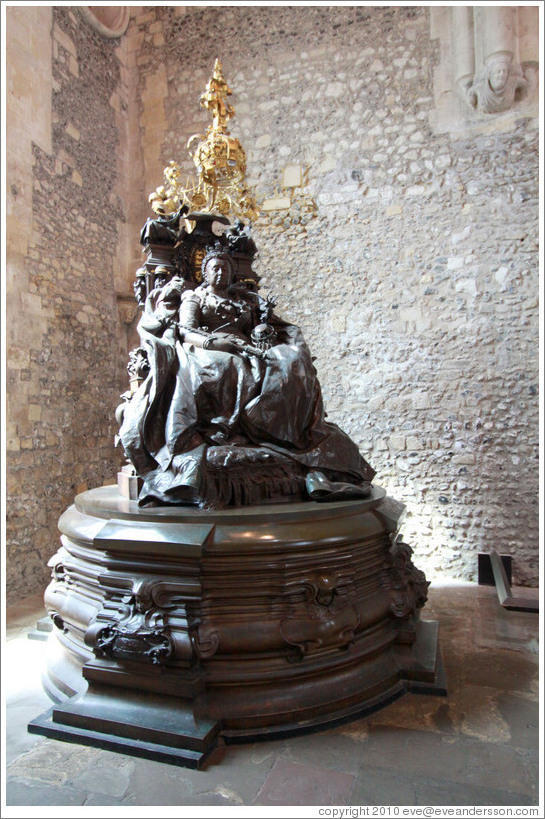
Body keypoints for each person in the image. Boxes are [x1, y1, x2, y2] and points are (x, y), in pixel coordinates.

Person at [119, 248, 375, 507]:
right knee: (230, 366)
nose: (220, 273)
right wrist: (214, 342)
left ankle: (285, 430)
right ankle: (226, 428)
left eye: (225, 268)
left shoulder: (244, 300)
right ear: (205, 273)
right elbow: (187, 332)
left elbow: (259, 327)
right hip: (208, 348)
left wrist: (262, 330)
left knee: (288, 364)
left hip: (247, 348)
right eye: (215, 268)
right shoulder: (195, 298)